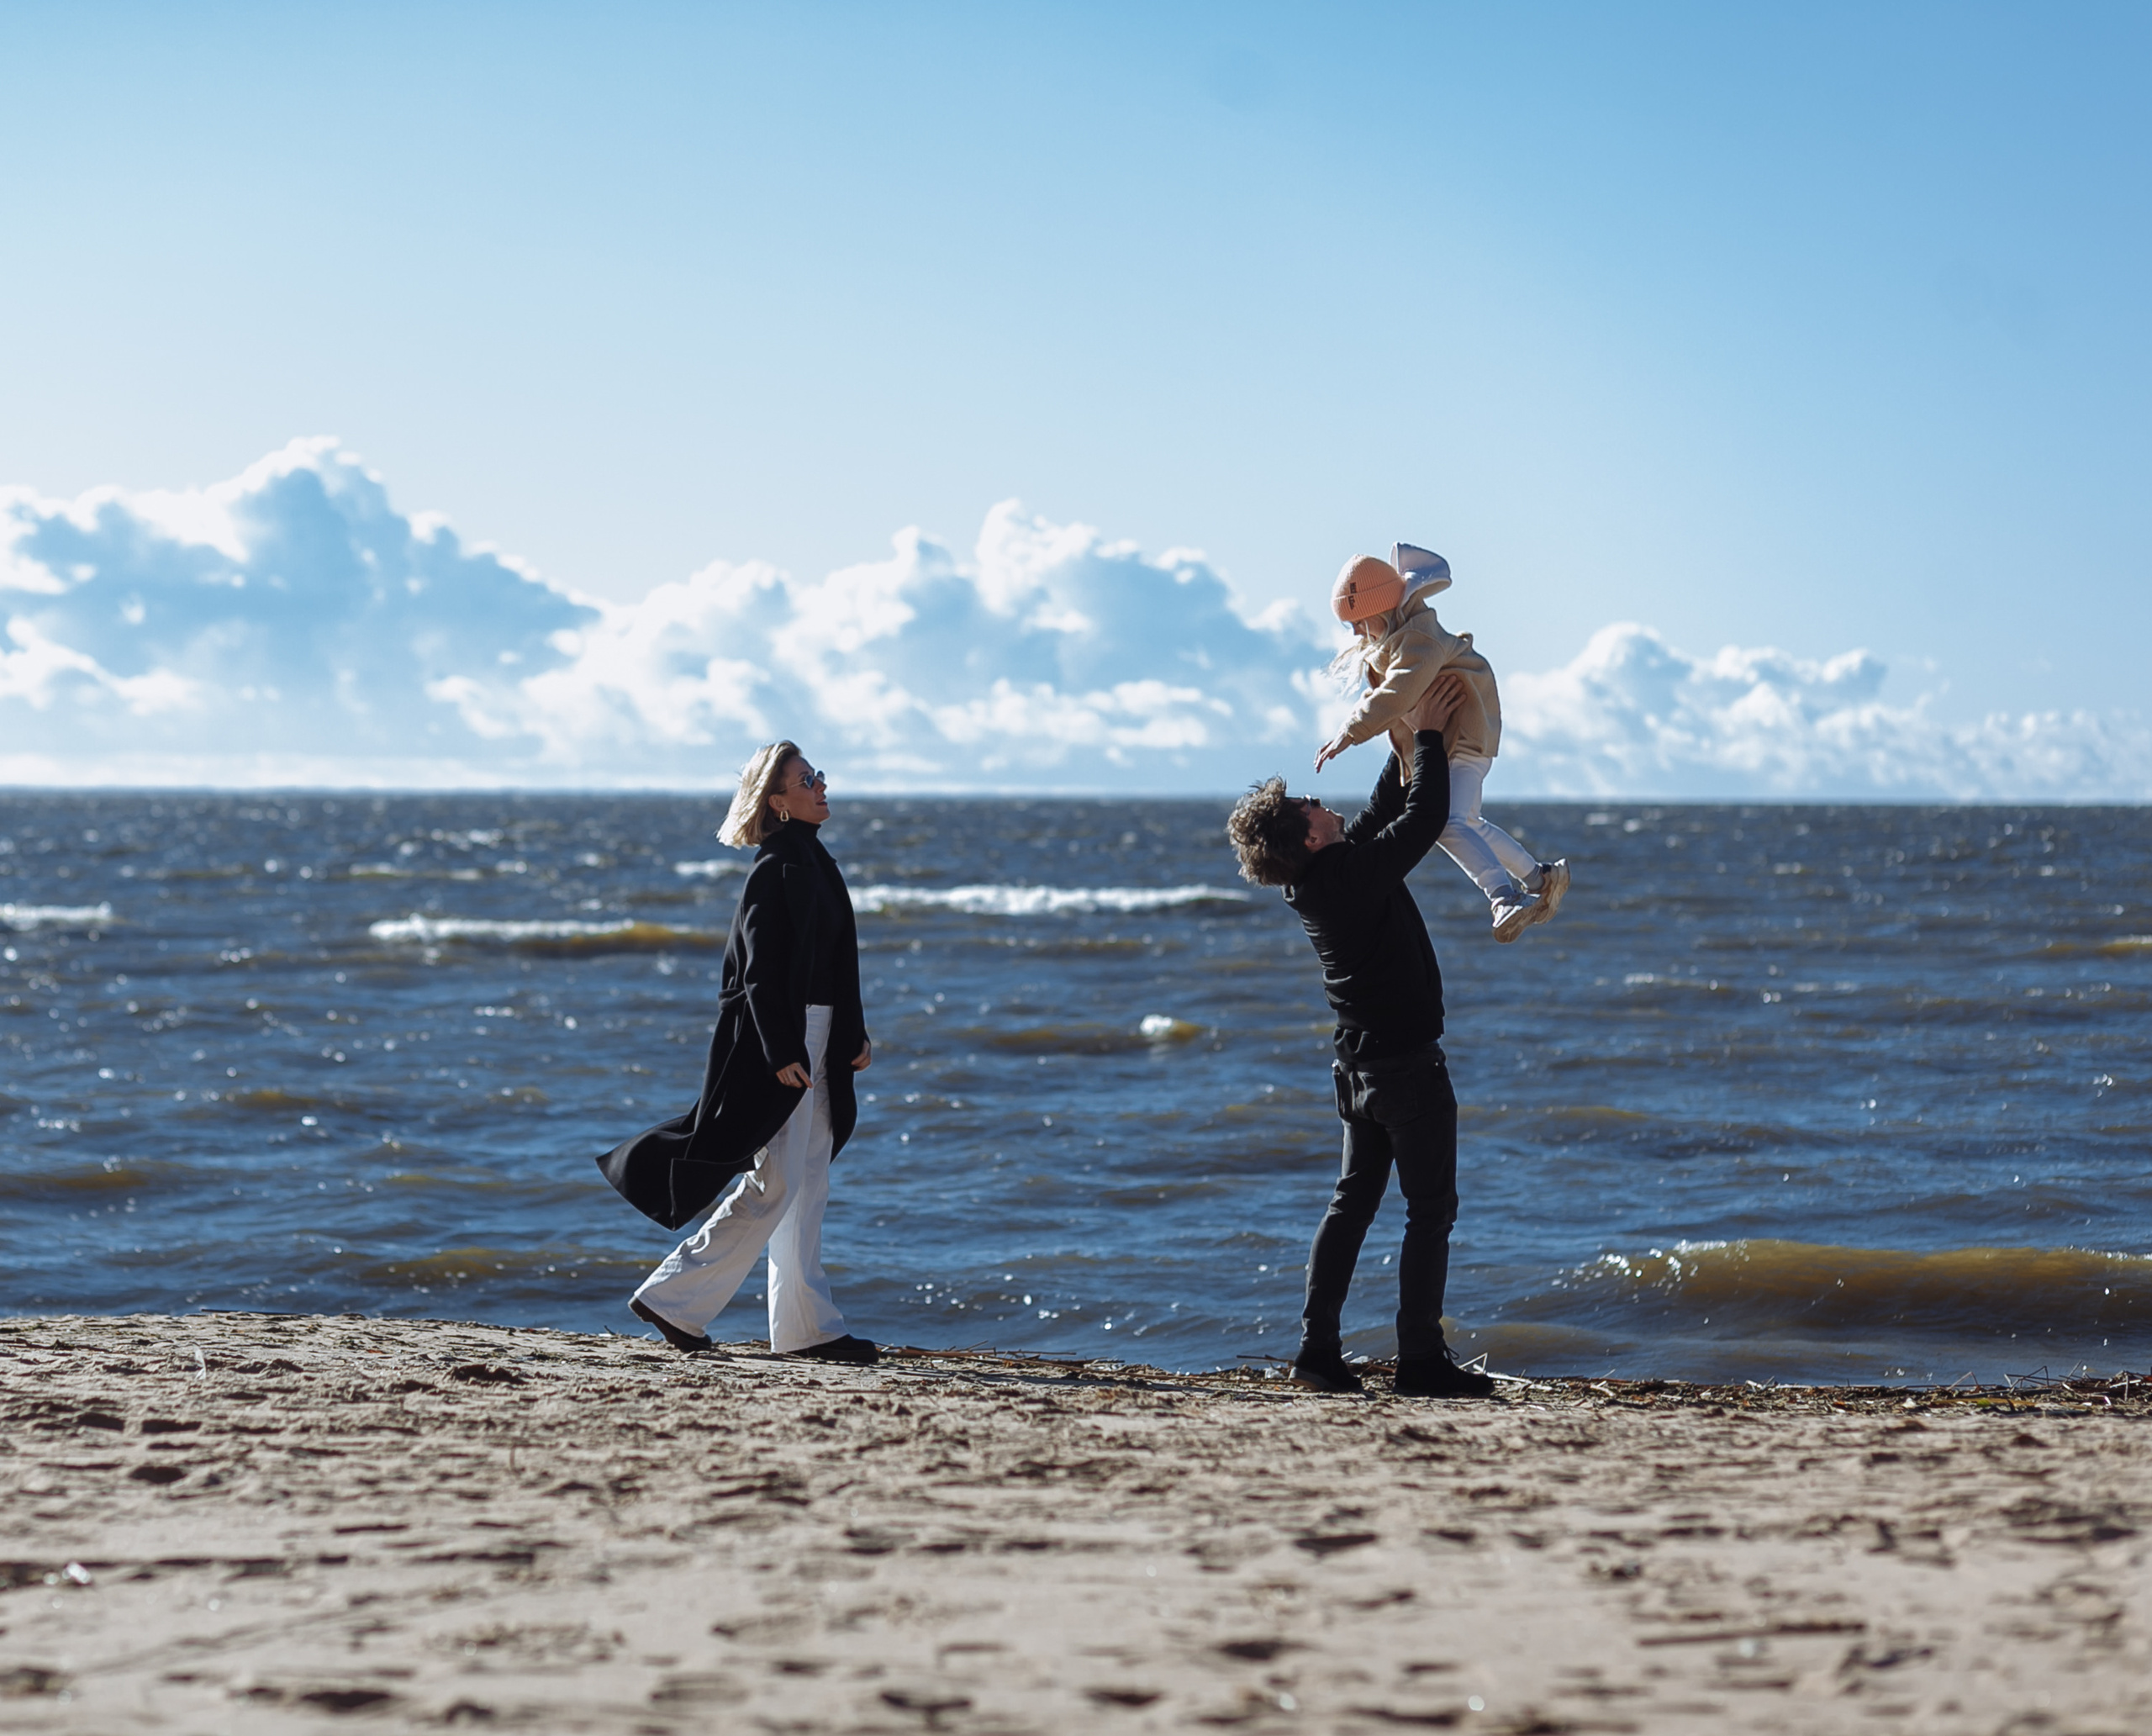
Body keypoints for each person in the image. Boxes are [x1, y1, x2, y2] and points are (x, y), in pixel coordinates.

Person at [1227, 673, 1495, 1399]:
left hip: (1359, 1070)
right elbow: (1421, 818)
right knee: (1430, 1210)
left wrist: (1402, 739)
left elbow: (1385, 811)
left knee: (1353, 1202)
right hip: (1403, 1068)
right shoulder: (1345, 877)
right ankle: (1420, 1360)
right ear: (1309, 834)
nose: (1319, 800)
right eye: (1309, 804)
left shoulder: (1323, 876)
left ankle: (1318, 1352)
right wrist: (1433, 740)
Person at [594, 741, 878, 1364]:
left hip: (819, 1036)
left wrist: (852, 1033)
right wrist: (782, 1048)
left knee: (808, 1181)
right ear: (778, 800)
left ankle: (807, 1326)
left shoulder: (816, 860)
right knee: (776, 1182)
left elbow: (834, 963)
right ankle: (674, 1297)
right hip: (783, 1040)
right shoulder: (775, 867)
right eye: (808, 779)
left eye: (820, 775)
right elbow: (758, 974)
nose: (822, 785)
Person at [1315, 544, 1569, 943]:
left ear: (1380, 609)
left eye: (1358, 622)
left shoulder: (1418, 640)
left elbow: (1399, 694)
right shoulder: (1398, 643)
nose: (1354, 633)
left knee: (1446, 823)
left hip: (1466, 738)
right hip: (1460, 741)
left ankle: (1503, 898)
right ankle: (1542, 880)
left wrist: (1350, 732)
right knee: (1467, 823)